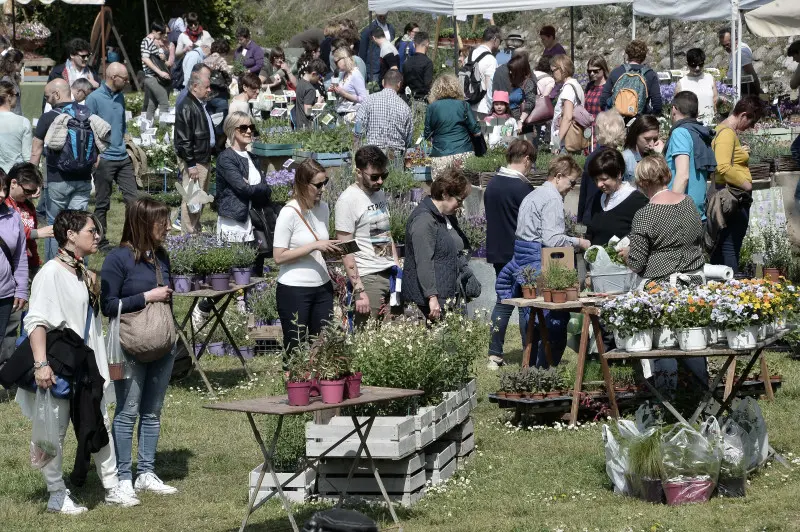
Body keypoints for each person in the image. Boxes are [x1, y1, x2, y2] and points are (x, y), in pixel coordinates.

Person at [13, 209, 139, 513]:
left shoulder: (81, 271)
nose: (96, 236)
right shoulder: (50, 274)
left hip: (88, 365)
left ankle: (111, 486)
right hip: (60, 366)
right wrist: (41, 365)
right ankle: (56, 493)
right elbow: (36, 322)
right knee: (53, 431)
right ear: (71, 236)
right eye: (90, 231)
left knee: (98, 422)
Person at [100, 197, 178, 497]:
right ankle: (123, 476)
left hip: (162, 344)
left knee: (152, 411)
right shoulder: (117, 259)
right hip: (130, 346)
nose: (167, 227)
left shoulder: (160, 256)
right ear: (144, 223)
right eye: (162, 221)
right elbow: (108, 305)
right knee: (127, 411)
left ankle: (146, 471)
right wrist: (147, 296)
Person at [621, 156, 707, 393]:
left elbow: (637, 263)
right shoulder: (688, 203)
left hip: (662, 289)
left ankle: (666, 399)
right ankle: (701, 395)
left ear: (642, 181)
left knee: (664, 345)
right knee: (694, 341)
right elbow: (699, 238)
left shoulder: (645, 215)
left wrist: (625, 254)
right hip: (694, 283)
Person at [495, 156, 590, 367]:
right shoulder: (552, 198)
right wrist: (579, 242)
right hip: (539, 260)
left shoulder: (533, 194)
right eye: (571, 182)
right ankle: (543, 370)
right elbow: (553, 239)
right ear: (558, 177)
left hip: (522, 257)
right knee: (552, 318)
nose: (571, 188)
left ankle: (530, 366)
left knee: (530, 315)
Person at [273, 159, 339, 354]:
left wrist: (332, 249)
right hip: (294, 289)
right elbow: (279, 256)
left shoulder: (324, 209)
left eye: (325, 183)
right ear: (303, 184)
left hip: (322, 285)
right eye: (318, 185)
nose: (323, 189)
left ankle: (319, 385)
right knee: (296, 348)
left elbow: (320, 243)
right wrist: (314, 246)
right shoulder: (289, 213)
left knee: (322, 345)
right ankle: (294, 384)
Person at [32, 79, 97, 261]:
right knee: (80, 225)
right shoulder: (87, 114)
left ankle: (55, 267)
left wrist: (32, 179)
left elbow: (36, 150)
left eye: (48, 97)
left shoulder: (49, 116)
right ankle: (80, 268)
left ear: (57, 94)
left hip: (57, 179)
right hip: (83, 179)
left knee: (55, 225)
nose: (47, 101)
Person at [485, 139, 536, 369]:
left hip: (498, 253)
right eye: (531, 163)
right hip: (522, 254)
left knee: (503, 301)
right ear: (526, 159)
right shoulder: (523, 188)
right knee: (526, 303)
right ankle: (529, 353)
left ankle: (494, 354)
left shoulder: (492, 184)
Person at [335, 146, 398, 327]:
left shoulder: (379, 194)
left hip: (389, 273)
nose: (380, 181)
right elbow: (346, 248)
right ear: (358, 172)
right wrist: (358, 289)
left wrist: (396, 265)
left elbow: (387, 233)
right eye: (374, 177)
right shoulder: (348, 200)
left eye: (383, 176)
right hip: (368, 276)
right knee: (367, 338)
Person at [402, 167, 471, 321]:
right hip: (426, 303)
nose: (460, 205)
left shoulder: (445, 216)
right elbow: (424, 261)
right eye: (459, 200)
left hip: (446, 295)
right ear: (445, 194)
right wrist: (431, 297)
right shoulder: (424, 220)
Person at [86, 63, 139, 253]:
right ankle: (100, 241)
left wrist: (127, 144)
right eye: (124, 79)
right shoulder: (93, 99)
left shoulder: (120, 97)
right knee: (102, 202)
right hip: (104, 159)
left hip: (122, 157)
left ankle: (132, 238)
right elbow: (87, 129)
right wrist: (95, 155)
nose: (127, 82)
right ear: (112, 77)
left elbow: (121, 124)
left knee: (134, 201)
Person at [709, 96, 764, 271]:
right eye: (751, 121)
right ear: (743, 115)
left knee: (725, 245)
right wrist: (746, 185)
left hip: (733, 197)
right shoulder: (726, 133)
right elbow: (723, 167)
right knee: (729, 246)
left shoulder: (725, 131)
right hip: (734, 197)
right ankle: (730, 287)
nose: (751, 126)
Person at [215, 112, 272, 275]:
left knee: (256, 270)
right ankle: (211, 301)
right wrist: (257, 187)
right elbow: (243, 188)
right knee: (235, 273)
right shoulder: (226, 158)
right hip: (235, 220)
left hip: (255, 220)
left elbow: (267, 190)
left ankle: (251, 300)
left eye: (251, 127)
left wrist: (256, 187)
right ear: (232, 130)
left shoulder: (253, 158)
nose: (249, 131)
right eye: (244, 128)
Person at [664, 91, 717, 220]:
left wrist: (671, 211)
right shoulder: (698, 133)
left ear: (674, 109)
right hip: (697, 212)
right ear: (696, 113)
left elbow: (682, 176)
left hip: (680, 215)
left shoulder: (680, 133)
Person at [174, 70, 214, 234]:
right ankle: (188, 236)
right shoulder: (187, 106)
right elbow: (184, 139)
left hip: (202, 158)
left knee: (199, 198)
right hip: (195, 161)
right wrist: (191, 165)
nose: (209, 89)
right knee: (191, 198)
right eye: (207, 86)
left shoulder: (199, 103)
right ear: (195, 86)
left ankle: (194, 232)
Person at [584, 147, 648, 246]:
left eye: (604, 179)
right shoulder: (598, 197)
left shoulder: (637, 201)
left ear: (618, 174)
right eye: (596, 180)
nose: (599, 184)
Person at [424, 73, 482, 179]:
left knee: (441, 190)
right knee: (465, 188)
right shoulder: (464, 105)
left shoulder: (431, 107)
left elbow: (427, 134)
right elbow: (476, 130)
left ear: (436, 90)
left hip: (441, 154)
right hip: (463, 152)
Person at [577, 109, 626, 223]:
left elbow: (584, 192)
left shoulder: (593, 156)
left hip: (592, 214)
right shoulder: (614, 158)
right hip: (602, 215)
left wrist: (580, 220)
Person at [354, 70, 412, 156]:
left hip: (372, 153)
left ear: (383, 82)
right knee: (395, 169)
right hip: (395, 155)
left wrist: (356, 151)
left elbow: (358, 128)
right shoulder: (405, 107)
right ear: (399, 84)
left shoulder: (369, 100)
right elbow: (408, 137)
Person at [5, 163, 47, 279]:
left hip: (24, 264)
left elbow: (31, 243)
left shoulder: (28, 206)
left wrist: (35, 263)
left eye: (33, 191)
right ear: (13, 183)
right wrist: (37, 233)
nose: (30, 195)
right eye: (27, 191)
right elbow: (7, 231)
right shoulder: (3, 204)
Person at [601, 39, 662, 116]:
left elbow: (603, 100)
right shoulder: (650, 74)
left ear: (627, 55)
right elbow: (657, 104)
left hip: (618, 121)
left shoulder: (616, 72)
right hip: (640, 122)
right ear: (644, 56)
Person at [45, 38, 99, 110]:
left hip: (86, 112)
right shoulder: (58, 72)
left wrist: (96, 85)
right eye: (83, 56)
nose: (86, 59)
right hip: (63, 113)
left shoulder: (91, 71)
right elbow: (49, 96)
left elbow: (99, 96)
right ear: (72, 55)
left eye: (88, 55)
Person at [550, 54, 585, 153]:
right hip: (572, 140)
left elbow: (567, 118)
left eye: (553, 71)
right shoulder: (576, 85)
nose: (552, 74)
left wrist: (556, 144)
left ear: (562, 69)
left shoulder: (568, 89)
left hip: (565, 143)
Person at [675, 48, 717, 125]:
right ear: (687, 63)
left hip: (711, 125)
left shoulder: (710, 78)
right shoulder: (682, 83)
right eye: (693, 65)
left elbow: (715, 101)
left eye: (700, 64)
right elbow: (676, 109)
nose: (697, 68)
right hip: (691, 127)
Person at [141, 21, 173, 120]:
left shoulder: (154, 41)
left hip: (155, 77)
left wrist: (162, 58)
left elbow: (154, 58)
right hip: (152, 77)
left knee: (152, 105)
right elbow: (145, 58)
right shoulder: (147, 41)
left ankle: (146, 128)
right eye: (160, 33)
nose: (162, 35)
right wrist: (160, 72)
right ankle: (164, 131)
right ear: (153, 31)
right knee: (164, 103)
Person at [203, 39, 233, 141]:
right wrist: (227, 82)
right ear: (224, 50)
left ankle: (212, 146)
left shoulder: (205, 60)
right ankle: (219, 149)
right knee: (221, 123)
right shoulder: (220, 59)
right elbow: (228, 73)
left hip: (207, 95)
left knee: (210, 123)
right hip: (220, 95)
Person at [718, 27, 761, 96]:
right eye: (723, 45)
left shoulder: (741, 52)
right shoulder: (734, 50)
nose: (726, 48)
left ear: (736, 39)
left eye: (728, 44)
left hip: (744, 91)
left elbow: (751, 73)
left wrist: (759, 92)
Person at [470, 26, 502, 118]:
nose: (500, 44)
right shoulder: (490, 59)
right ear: (495, 39)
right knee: (487, 131)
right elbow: (490, 86)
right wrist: (492, 109)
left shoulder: (471, 54)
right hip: (483, 109)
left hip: (468, 104)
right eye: (500, 41)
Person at [0, 80, 31, 172]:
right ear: (8, 97)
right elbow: (27, 156)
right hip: (15, 174)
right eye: (16, 94)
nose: (17, 98)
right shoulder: (23, 122)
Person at [621, 115, 662, 183]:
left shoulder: (654, 156)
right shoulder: (626, 158)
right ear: (636, 135)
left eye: (655, 139)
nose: (652, 144)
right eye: (647, 139)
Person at [331, 47, 367, 121]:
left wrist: (344, 94)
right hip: (343, 112)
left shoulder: (355, 74)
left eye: (336, 62)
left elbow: (364, 99)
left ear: (344, 59)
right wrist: (336, 90)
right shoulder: (344, 73)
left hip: (352, 115)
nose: (335, 65)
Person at [359, 10, 395, 83]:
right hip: (374, 70)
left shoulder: (391, 28)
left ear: (387, 13)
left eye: (384, 14)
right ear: (376, 13)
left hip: (388, 66)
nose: (382, 16)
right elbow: (362, 51)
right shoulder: (368, 30)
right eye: (380, 14)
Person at [292, 58, 326, 130]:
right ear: (313, 74)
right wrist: (318, 104)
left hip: (299, 124)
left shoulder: (300, 83)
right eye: (319, 77)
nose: (319, 79)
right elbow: (307, 111)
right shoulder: (310, 89)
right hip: (307, 127)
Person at [402, 31, 433, 101]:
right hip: (422, 101)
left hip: (409, 100)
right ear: (427, 44)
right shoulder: (427, 63)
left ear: (414, 44)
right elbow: (427, 84)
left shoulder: (406, 62)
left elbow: (403, 84)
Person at [584, 55, 609, 119]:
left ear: (603, 69)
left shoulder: (609, 87)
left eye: (595, 71)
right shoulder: (589, 86)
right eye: (589, 71)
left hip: (602, 126)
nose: (592, 73)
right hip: (588, 127)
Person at [0, 48, 23, 115]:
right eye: (22, 63)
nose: (22, 65)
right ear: (15, 63)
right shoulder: (6, 80)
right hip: (11, 117)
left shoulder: (13, 78)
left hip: (16, 115)